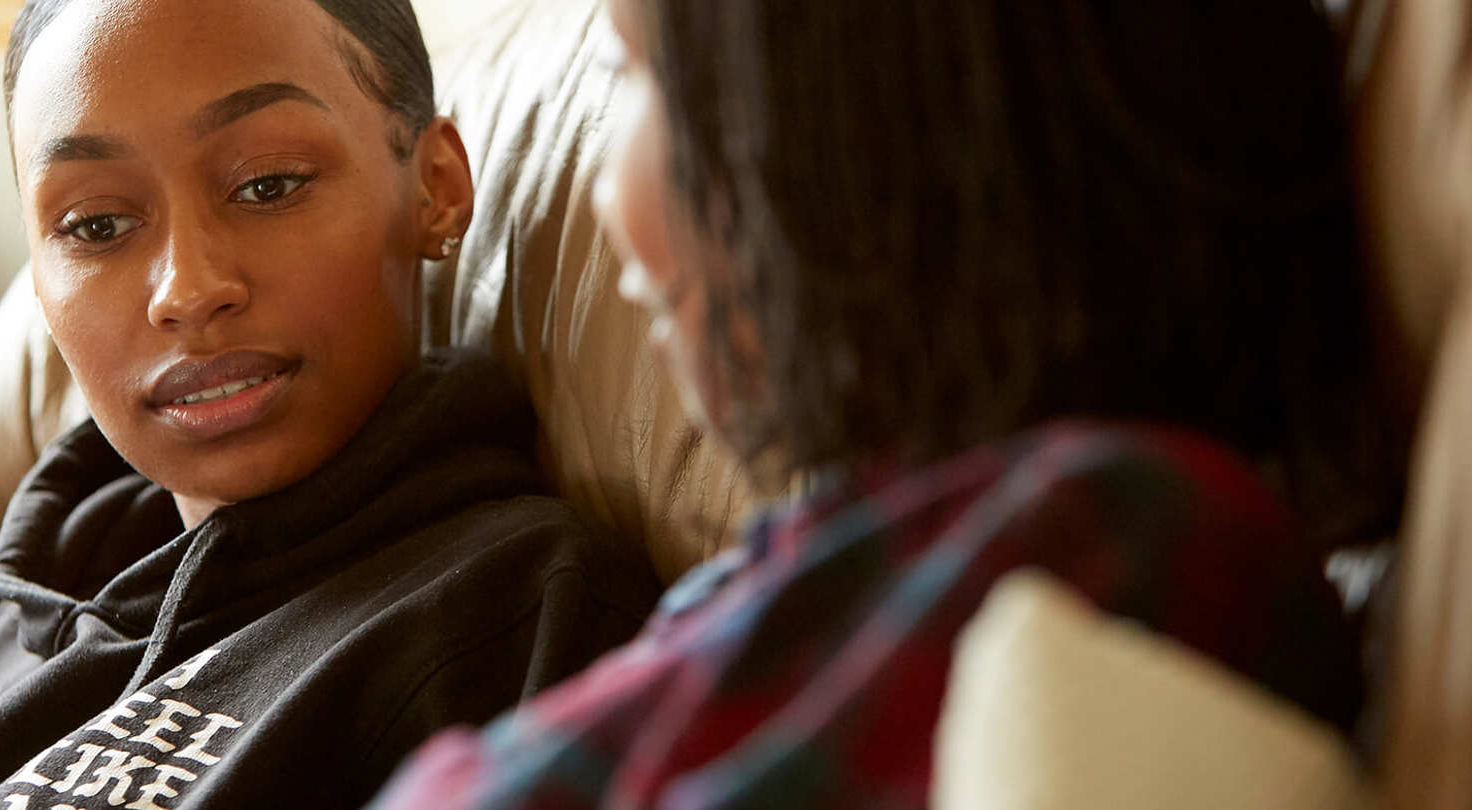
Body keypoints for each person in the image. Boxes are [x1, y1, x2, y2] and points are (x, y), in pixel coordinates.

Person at [367, 0, 1406, 807]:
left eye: (634, 72)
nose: (600, 192)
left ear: (859, 144)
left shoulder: (1120, 537)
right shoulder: (836, 558)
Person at [0, 1, 658, 807]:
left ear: (435, 187)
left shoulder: (520, 615)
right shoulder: (41, 577)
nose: (187, 290)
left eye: (267, 186)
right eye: (98, 225)